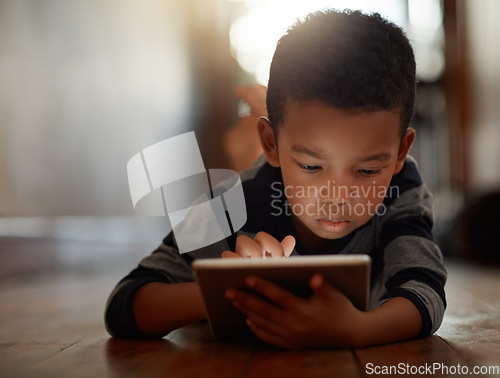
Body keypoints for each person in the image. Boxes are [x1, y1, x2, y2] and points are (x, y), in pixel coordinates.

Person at [105, 9, 447, 349]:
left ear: (401, 152)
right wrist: (230, 287)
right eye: (312, 166)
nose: (338, 197)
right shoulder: (233, 206)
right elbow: (126, 304)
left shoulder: (402, 189)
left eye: (368, 171)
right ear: (271, 142)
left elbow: (424, 290)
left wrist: (357, 329)